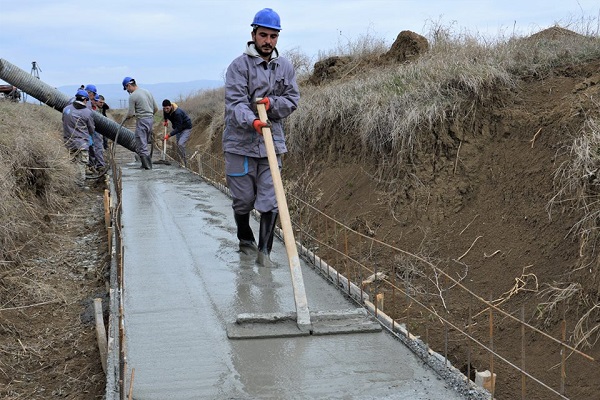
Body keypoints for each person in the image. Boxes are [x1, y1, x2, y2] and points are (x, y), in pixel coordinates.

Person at [223, 8, 300, 266]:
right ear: (253, 34)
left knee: (271, 198)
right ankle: (245, 237)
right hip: (240, 144)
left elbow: (291, 100)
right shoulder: (238, 67)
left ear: (278, 37)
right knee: (243, 199)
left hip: (271, 143)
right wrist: (253, 121)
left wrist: (270, 104)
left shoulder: (284, 66)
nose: (268, 41)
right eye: (263, 35)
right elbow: (235, 105)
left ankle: (264, 254)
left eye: (273, 36)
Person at [122, 77, 158, 169]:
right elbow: (156, 108)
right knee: (145, 142)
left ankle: (147, 167)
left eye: (127, 89)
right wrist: (149, 115)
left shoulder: (133, 96)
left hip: (142, 121)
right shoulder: (147, 92)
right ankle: (144, 164)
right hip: (150, 120)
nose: (128, 91)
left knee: (141, 144)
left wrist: (127, 118)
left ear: (128, 85)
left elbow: (130, 113)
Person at [62, 89, 95, 190]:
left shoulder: (66, 109)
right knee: (81, 164)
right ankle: (79, 186)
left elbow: (63, 121)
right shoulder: (87, 112)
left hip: (68, 142)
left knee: (71, 163)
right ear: (85, 99)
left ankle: (70, 184)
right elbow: (91, 129)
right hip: (81, 143)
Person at [162, 99, 192, 167]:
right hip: (177, 128)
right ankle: (179, 163)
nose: (166, 110)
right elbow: (165, 114)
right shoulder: (166, 111)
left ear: (170, 106)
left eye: (167, 108)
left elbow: (179, 128)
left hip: (186, 128)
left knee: (181, 144)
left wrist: (168, 135)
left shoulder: (178, 113)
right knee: (178, 146)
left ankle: (184, 164)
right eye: (164, 108)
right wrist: (166, 121)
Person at [84, 84, 106, 173]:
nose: (94, 100)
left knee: (93, 148)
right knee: (95, 147)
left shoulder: (89, 104)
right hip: (90, 129)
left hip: (90, 129)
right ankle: (98, 165)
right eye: (94, 99)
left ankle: (95, 165)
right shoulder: (87, 103)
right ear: (90, 93)